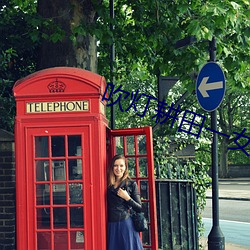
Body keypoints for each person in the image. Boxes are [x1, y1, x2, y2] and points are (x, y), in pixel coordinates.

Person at [107, 154, 144, 250]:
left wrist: (127, 198)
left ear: (125, 168)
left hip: (125, 224)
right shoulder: (108, 183)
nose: (118, 168)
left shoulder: (131, 184)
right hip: (111, 225)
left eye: (121, 166)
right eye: (115, 165)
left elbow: (139, 208)